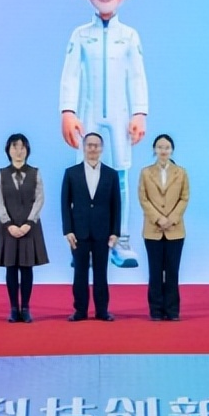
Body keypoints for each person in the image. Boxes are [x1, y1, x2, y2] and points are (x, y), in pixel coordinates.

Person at [59, 0, 148, 269]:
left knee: (120, 177)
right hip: (89, 115)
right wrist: (68, 112)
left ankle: (120, 239)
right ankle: (83, 241)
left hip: (120, 117)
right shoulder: (81, 36)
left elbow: (137, 76)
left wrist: (139, 113)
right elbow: (70, 76)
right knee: (85, 179)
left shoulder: (129, 36)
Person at [61, 132, 121, 322]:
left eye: (96, 145)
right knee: (80, 273)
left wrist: (115, 232)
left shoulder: (111, 174)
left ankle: (102, 311)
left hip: (103, 232)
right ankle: (80, 310)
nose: (93, 149)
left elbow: (116, 205)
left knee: (101, 273)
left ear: (102, 148)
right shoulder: (71, 173)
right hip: (79, 232)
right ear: (84, 147)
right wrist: (68, 230)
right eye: (89, 145)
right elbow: (65, 204)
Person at [0, 133, 49, 323]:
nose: (18, 151)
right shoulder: (2, 174)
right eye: (14, 147)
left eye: (22, 147)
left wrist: (29, 223)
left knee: (26, 268)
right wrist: (8, 224)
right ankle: (13, 309)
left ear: (27, 150)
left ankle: (26, 308)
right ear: (8, 150)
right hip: (7, 229)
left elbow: (39, 199)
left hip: (29, 228)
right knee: (11, 268)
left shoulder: (35, 173)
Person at [137, 134, 189, 321]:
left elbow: (184, 198)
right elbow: (143, 199)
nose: (163, 151)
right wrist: (158, 218)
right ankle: (156, 310)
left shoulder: (181, 172)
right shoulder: (145, 172)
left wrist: (171, 219)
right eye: (160, 147)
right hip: (153, 230)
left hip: (175, 230)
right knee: (155, 271)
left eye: (167, 147)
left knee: (172, 271)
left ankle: (172, 311)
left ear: (172, 150)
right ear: (154, 150)